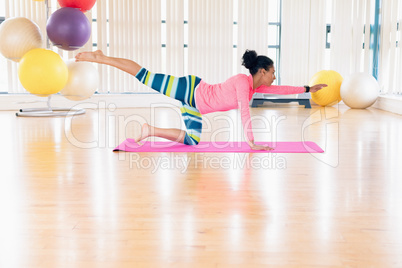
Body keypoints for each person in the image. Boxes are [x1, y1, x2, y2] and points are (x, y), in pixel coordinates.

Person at [75, 49, 327, 150]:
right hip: (190, 90)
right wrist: (252, 142)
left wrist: (307, 87)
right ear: (262, 71)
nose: (274, 76)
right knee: (146, 76)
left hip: (195, 105)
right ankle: (102, 58)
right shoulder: (242, 83)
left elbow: (280, 90)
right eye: (272, 72)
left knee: (192, 140)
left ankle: (149, 130)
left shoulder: (252, 87)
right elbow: (244, 111)